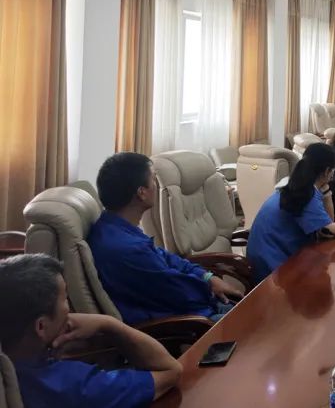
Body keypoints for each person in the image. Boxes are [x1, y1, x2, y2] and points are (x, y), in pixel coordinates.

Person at [0, 254, 182, 407]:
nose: (69, 308)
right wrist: (109, 324)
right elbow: (170, 371)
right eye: (65, 298)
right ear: (41, 326)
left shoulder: (16, 370)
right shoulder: (76, 386)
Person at [88, 152, 244, 325]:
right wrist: (208, 288)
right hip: (187, 323)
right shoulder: (127, 248)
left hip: (194, 307)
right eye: (153, 179)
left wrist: (207, 277)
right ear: (142, 193)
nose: (156, 185)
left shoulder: (113, 226)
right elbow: (182, 294)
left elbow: (168, 258)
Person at [248, 143, 335, 282]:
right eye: (334, 169)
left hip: (268, 257)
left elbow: (326, 223)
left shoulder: (297, 185)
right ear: (327, 171)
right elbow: (328, 231)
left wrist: (326, 193)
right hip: (272, 268)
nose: (333, 173)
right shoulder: (305, 194)